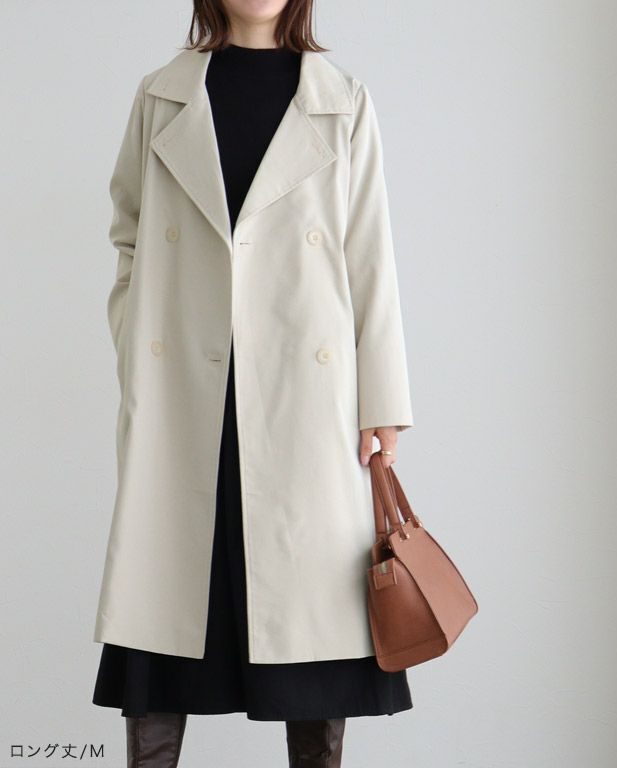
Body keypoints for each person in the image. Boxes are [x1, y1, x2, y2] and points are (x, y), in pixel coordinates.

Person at [91, 0, 415, 765]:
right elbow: (129, 233)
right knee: (162, 615)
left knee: (313, 624)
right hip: (184, 390)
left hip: (304, 396)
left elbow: (370, 255)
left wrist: (384, 401)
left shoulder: (342, 100)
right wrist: (137, 342)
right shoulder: (163, 95)